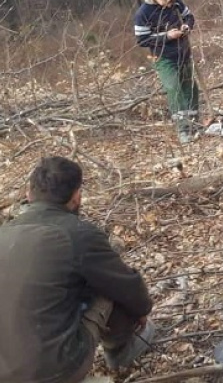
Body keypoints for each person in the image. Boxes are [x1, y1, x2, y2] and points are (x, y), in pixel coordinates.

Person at [0, 156, 155, 383]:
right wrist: (142, 308)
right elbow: (127, 285)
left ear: (28, 194)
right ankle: (120, 352)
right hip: (53, 371)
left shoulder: (4, 233)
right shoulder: (78, 235)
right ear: (76, 196)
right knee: (106, 284)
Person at [133, 0, 200, 143]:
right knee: (174, 88)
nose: (170, 5)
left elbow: (189, 16)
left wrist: (186, 26)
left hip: (183, 53)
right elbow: (142, 40)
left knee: (190, 88)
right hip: (163, 57)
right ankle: (183, 129)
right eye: (167, 3)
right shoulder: (143, 13)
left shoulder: (176, 2)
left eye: (172, 2)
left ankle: (195, 123)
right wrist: (167, 36)